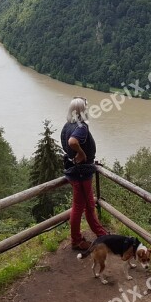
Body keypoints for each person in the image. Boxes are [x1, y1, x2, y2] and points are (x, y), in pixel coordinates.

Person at [61, 97, 108, 250]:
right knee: (84, 206)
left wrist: (84, 157)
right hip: (81, 173)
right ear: (82, 110)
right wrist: (81, 154)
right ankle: (86, 239)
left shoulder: (67, 125)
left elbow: (68, 146)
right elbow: (72, 142)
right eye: (86, 107)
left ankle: (97, 235)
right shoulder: (81, 127)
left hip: (76, 171)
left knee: (83, 206)